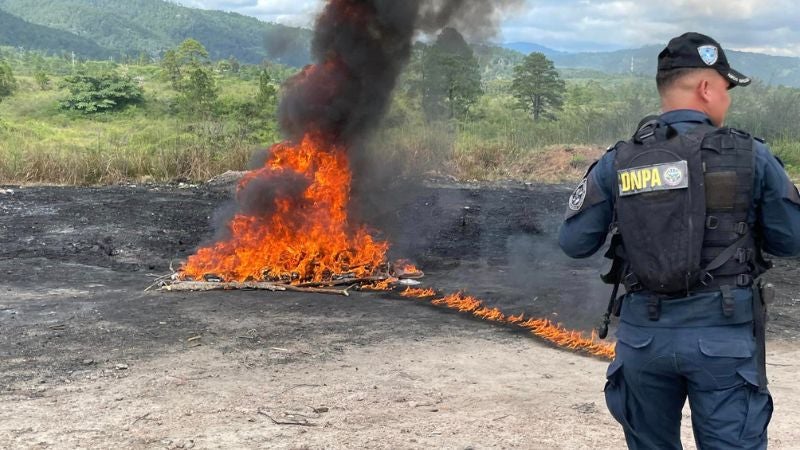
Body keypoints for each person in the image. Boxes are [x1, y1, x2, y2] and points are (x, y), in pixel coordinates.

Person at [558, 32, 800, 449]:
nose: (727, 99)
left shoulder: (620, 160)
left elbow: (575, 241)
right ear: (706, 88)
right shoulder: (750, 155)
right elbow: (791, 240)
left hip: (642, 340)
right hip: (722, 341)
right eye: (725, 88)